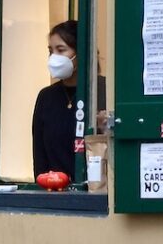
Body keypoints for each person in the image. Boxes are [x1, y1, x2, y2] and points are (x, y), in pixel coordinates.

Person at [31, 20, 107, 179]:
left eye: (61, 50)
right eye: (51, 51)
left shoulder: (104, 91)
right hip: (55, 192)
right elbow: (39, 155)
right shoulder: (46, 97)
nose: (54, 57)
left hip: (96, 192)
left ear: (80, 52)